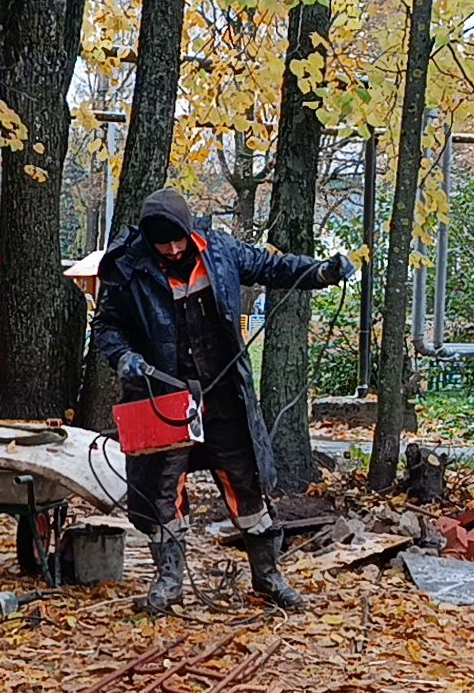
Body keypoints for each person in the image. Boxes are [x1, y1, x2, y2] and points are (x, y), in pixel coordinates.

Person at [93, 188, 354, 613]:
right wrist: (123, 357)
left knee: (245, 483)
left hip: (224, 395)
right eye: (163, 243)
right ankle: (169, 582)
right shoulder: (127, 268)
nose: (173, 250)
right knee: (162, 490)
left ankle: (268, 577)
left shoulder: (220, 251)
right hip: (162, 398)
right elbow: (105, 327)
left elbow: (272, 266)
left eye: (178, 240)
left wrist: (320, 273)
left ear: (189, 230)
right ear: (147, 238)